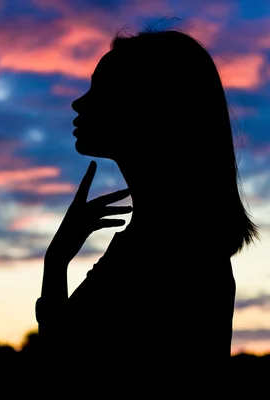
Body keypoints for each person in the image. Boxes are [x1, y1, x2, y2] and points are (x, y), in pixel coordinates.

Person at [37, 27, 259, 382]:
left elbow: (61, 362)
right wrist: (57, 258)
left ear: (147, 107)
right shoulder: (160, 238)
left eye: (101, 89)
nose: (78, 103)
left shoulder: (170, 249)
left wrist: (57, 259)